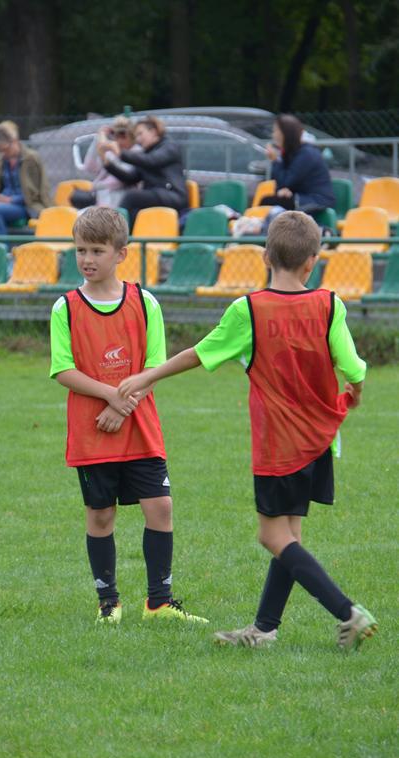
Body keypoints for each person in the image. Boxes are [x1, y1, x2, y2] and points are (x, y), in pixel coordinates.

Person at [118, 211, 378, 651]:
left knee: (271, 536)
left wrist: (147, 376)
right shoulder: (330, 305)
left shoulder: (249, 310)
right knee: (289, 537)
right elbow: (354, 369)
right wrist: (355, 391)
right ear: (312, 261)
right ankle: (263, 630)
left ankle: (347, 612)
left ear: (264, 256)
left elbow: (199, 353)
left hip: (279, 445)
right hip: (319, 441)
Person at [49, 206, 207, 625]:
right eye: (81, 250)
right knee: (100, 515)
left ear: (121, 253)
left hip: (140, 428)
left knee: (161, 507)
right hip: (93, 430)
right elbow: (63, 370)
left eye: (97, 250)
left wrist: (124, 406)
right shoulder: (65, 308)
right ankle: (109, 603)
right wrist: (112, 399)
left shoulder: (144, 301)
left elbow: (154, 367)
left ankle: (159, 602)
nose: (87, 259)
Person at [101, 116, 188, 228]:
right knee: (134, 213)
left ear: (153, 132)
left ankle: (114, 231)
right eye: (136, 135)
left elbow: (152, 160)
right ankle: (128, 236)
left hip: (173, 195)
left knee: (131, 196)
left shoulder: (169, 146)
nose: (138, 139)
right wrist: (107, 164)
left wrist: (120, 152)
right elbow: (131, 178)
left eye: (140, 134)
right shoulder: (147, 153)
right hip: (156, 195)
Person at [0, 120, 50, 239]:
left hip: (26, 206)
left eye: (5, 149)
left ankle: (1, 248)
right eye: (0, 150)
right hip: (2, 204)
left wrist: (10, 200)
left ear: (15, 141)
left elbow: (34, 194)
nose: (3, 153)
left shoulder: (31, 159)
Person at [261, 114, 335, 215]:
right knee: (269, 201)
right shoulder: (292, 152)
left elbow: (286, 181)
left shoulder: (306, 153)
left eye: (276, 131)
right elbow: (283, 184)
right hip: (301, 197)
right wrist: (283, 191)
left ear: (286, 133)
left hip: (317, 201)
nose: (273, 135)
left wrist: (275, 160)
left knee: (268, 202)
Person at [71, 116, 140, 209]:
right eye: (116, 135)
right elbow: (89, 167)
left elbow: (121, 178)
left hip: (121, 199)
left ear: (132, 136)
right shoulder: (110, 152)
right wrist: (98, 140)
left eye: (123, 136)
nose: (119, 140)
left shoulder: (137, 152)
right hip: (102, 198)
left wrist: (99, 185)